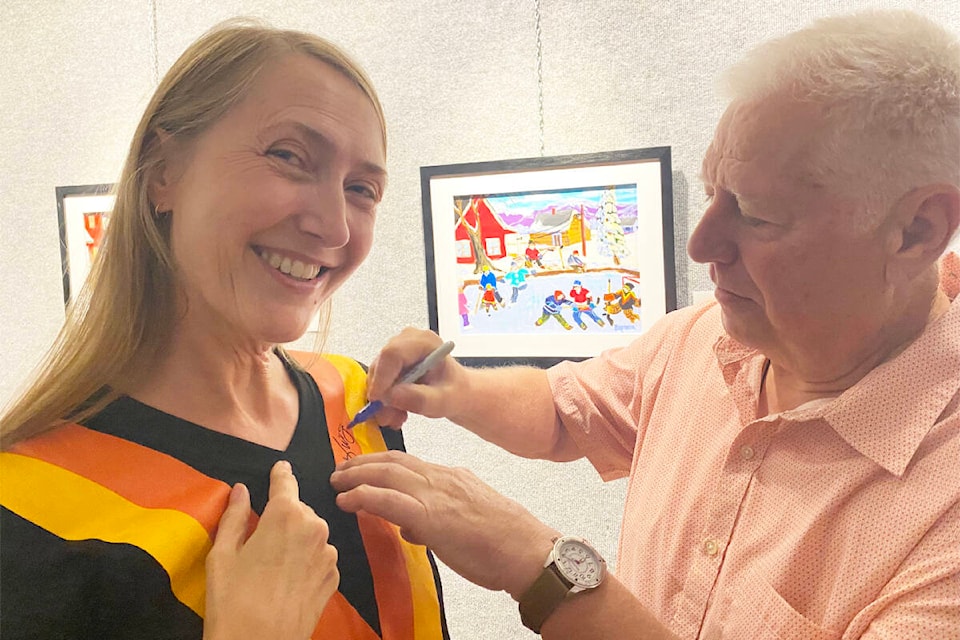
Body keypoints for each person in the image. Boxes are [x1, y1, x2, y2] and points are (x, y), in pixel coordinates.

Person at [330, 10, 960, 639]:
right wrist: (458, 389)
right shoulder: (702, 339)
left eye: (759, 215)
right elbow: (563, 414)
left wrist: (538, 567)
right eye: (714, 191)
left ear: (917, 230)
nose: (702, 242)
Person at [0, 20, 448, 640]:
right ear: (163, 174)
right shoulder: (29, 505)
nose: (335, 228)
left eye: (361, 189)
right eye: (289, 156)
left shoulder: (354, 403)